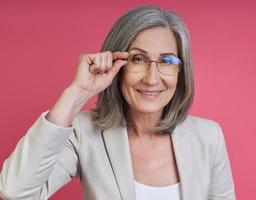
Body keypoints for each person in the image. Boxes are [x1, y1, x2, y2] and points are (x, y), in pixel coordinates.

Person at [0, 5, 236, 200]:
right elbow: (15, 192)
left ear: (180, 71)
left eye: (167, 60)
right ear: (116, 65)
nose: (152, 78)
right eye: (138, 59)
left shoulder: (208, 137)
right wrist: (77, 92)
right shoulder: (85, 132)